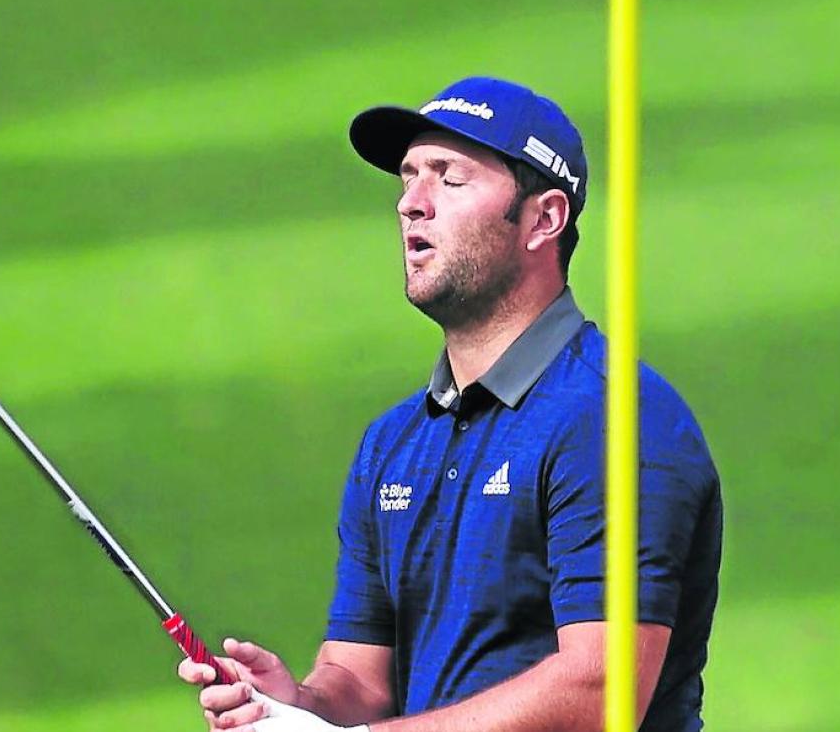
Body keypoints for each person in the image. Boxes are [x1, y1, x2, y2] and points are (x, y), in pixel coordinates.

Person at [178, 77, 723, 732]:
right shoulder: (392, 443)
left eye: (449, 177)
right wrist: (296, 706)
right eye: (408, 177)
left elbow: (600, 691)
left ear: (543, 220)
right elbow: (359, 680)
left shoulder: (610, 419)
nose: (411, 203)